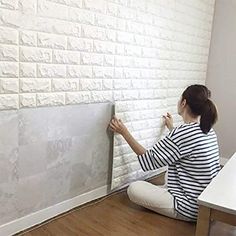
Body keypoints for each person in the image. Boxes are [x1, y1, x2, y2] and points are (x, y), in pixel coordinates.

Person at [109, 84, 221, 222]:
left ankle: (169, 197)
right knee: (171, 168)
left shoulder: (182, 133)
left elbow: (149, 160)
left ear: (184, 102)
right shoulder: (207, 130)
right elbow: (183, 147)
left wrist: (124, 132)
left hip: (189, 207)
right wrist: (171, 128)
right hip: (205, 205)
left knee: (133, 188)